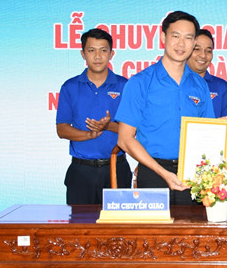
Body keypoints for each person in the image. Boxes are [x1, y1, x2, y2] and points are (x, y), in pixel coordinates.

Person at [116, 11, 214, 205]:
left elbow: (207, 133)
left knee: (193, 226)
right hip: (153, 172)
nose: (181, 44)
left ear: (194, 42)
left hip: (192, 176)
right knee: (155, 227)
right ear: (163, 37)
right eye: (175, 36)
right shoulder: (140, 82)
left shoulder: (200, 85)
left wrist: (218, 131)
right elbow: (125, 139)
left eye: (188, 38)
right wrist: (163, 172)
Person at [56, 28, 132, 205]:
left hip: (116, 168)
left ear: (111, 54)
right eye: (91, 50)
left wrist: (108, 126)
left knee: (118, 222)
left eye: (103, 50)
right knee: (80, 222)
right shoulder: (70, 86)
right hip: (81, 171)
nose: (97, 56)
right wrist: (89, 135)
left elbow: (133, 129)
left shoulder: (125, 86)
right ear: (83, 54)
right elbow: (62, 129)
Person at [187, 28, 227, 121]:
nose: (203, 55)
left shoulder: (222, 87)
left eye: (208, 51)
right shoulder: (176, 84)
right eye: (197, 49)